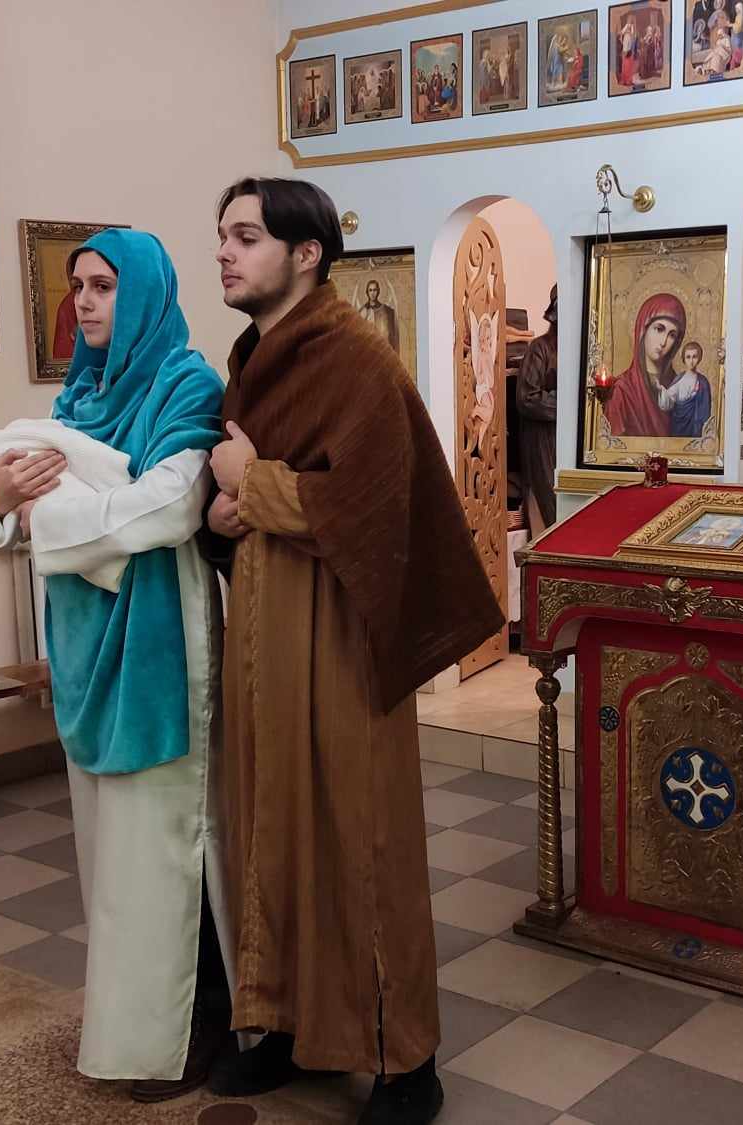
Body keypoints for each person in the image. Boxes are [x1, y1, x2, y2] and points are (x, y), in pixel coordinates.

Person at [202, 177, 502, 1125]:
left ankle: (405, 1058)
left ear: (306, 255)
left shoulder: (355, 357)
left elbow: (375, 501)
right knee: (271, 826)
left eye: (246, 237)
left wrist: (253, 483)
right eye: (222, 236)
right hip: (262, 631)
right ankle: (288, 1028)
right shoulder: (253, 360)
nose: (225, 253)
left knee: (358, 836)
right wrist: (223, 510)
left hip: (340, 628)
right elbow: (238, 492)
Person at [0, 230, 229, 1101]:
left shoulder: (186, 383)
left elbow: (172, 506)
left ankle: (191, 1030)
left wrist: (45, 516)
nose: (83, 301)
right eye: (77, 285)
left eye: (104, 285)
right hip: (85, 646)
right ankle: (134, 1026)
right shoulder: (78, 395)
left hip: (158, 644)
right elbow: (7, 493)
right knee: (112, 863)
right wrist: (1, 495)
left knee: (170, 846)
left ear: (145, 291)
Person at [604, 292, 687, 437]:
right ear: (643, 329)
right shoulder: (622, 391)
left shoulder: (679, 386)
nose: (663, 342)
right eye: (659, 329)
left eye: (672, 335)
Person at [513, 286, 560, 528]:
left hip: (566, 441)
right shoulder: (539, 348)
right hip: (543, 440)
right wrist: (566, 404)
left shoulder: (582, 351)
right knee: (548, 507)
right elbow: (527, 398)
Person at [662, 340, 713, 439]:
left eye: (694, 357)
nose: (691, 361)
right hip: (677, 426)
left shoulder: (703, 382)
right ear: (684, 359)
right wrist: (661, 391)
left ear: (699, 358)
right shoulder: (679, 379)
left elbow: (705, 410)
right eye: (688, 357)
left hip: (695, 426)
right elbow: (668, 399)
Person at [357, 279, 401, 352]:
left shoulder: (386, 311)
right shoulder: (362, 311)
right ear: (367, 292)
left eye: (375, 290)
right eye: (370, 290)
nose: (372, 293)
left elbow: (389, 336)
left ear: (378, 291)